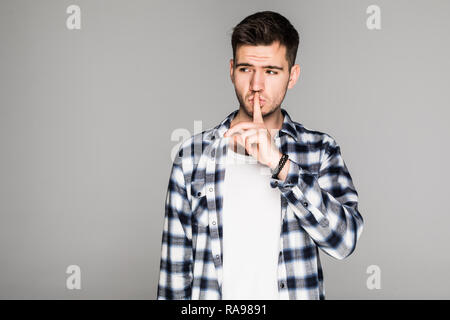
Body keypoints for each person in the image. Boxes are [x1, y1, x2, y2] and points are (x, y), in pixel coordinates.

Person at [157, 10, 364, 300]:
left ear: (292, 76)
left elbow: (345, 241)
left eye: (271, 71)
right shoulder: (192, 157)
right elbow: (174, 275)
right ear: (231, 70)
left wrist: (279, 163)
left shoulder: (319, 150)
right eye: (245, 69)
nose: (256, 84)